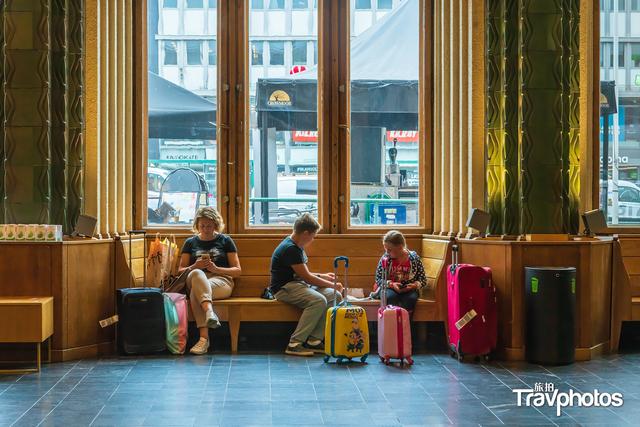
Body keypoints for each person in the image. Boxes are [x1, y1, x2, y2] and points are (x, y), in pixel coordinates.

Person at [270, 213, 343, 356]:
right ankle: (295, 343)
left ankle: (314, 340)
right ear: (305, 233)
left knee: (335, 296)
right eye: (313, 235)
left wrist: (322, 276)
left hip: (298, 285)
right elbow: (307, 278)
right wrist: (332, 284)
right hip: (284, 288)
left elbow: (302, 273)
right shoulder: (290, 248)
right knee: (318, 300)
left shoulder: (297, 246)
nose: (313, 239)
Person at [178, 207, 241, 355]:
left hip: (221, 281)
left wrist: (216, 269)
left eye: (209, 226)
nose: (206, 229)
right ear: (197, 226)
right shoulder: (190, 242)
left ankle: (203, 340)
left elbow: (237, 271)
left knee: (196, 292)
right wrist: (195, 266)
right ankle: (210, 313)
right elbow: (180, 271)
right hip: (196, 279)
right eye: (202, 226)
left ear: (216, 225)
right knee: (197, 274)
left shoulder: (225, 241)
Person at [373, 230, 427, 313]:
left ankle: (406, 323)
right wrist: (391, 284)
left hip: (408, 290)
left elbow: (423, 280)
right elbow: (378, 279)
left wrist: (414, 285)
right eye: (386, 249)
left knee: (410, 299)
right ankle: (392, 322)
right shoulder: (386, 259)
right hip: (390, 288)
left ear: (400, 247)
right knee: (391, 297)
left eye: (389, 250)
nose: (387, 252)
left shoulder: (414, 259)